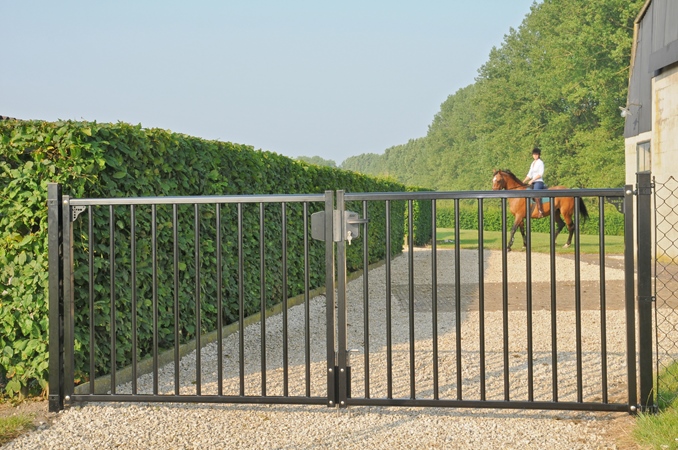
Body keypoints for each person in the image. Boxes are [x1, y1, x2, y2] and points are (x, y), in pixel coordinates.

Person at [523, 147, 545, 217]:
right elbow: (529, 175)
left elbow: (540, 174)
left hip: (538, 182)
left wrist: (532, 180)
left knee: (535, 193)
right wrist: (523, 181)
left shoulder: (540, 163)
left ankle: (540, 210)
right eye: (534, 154)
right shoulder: (532, 163)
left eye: (536, 154)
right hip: (532, 182)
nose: (535, 155)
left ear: (539, 155)